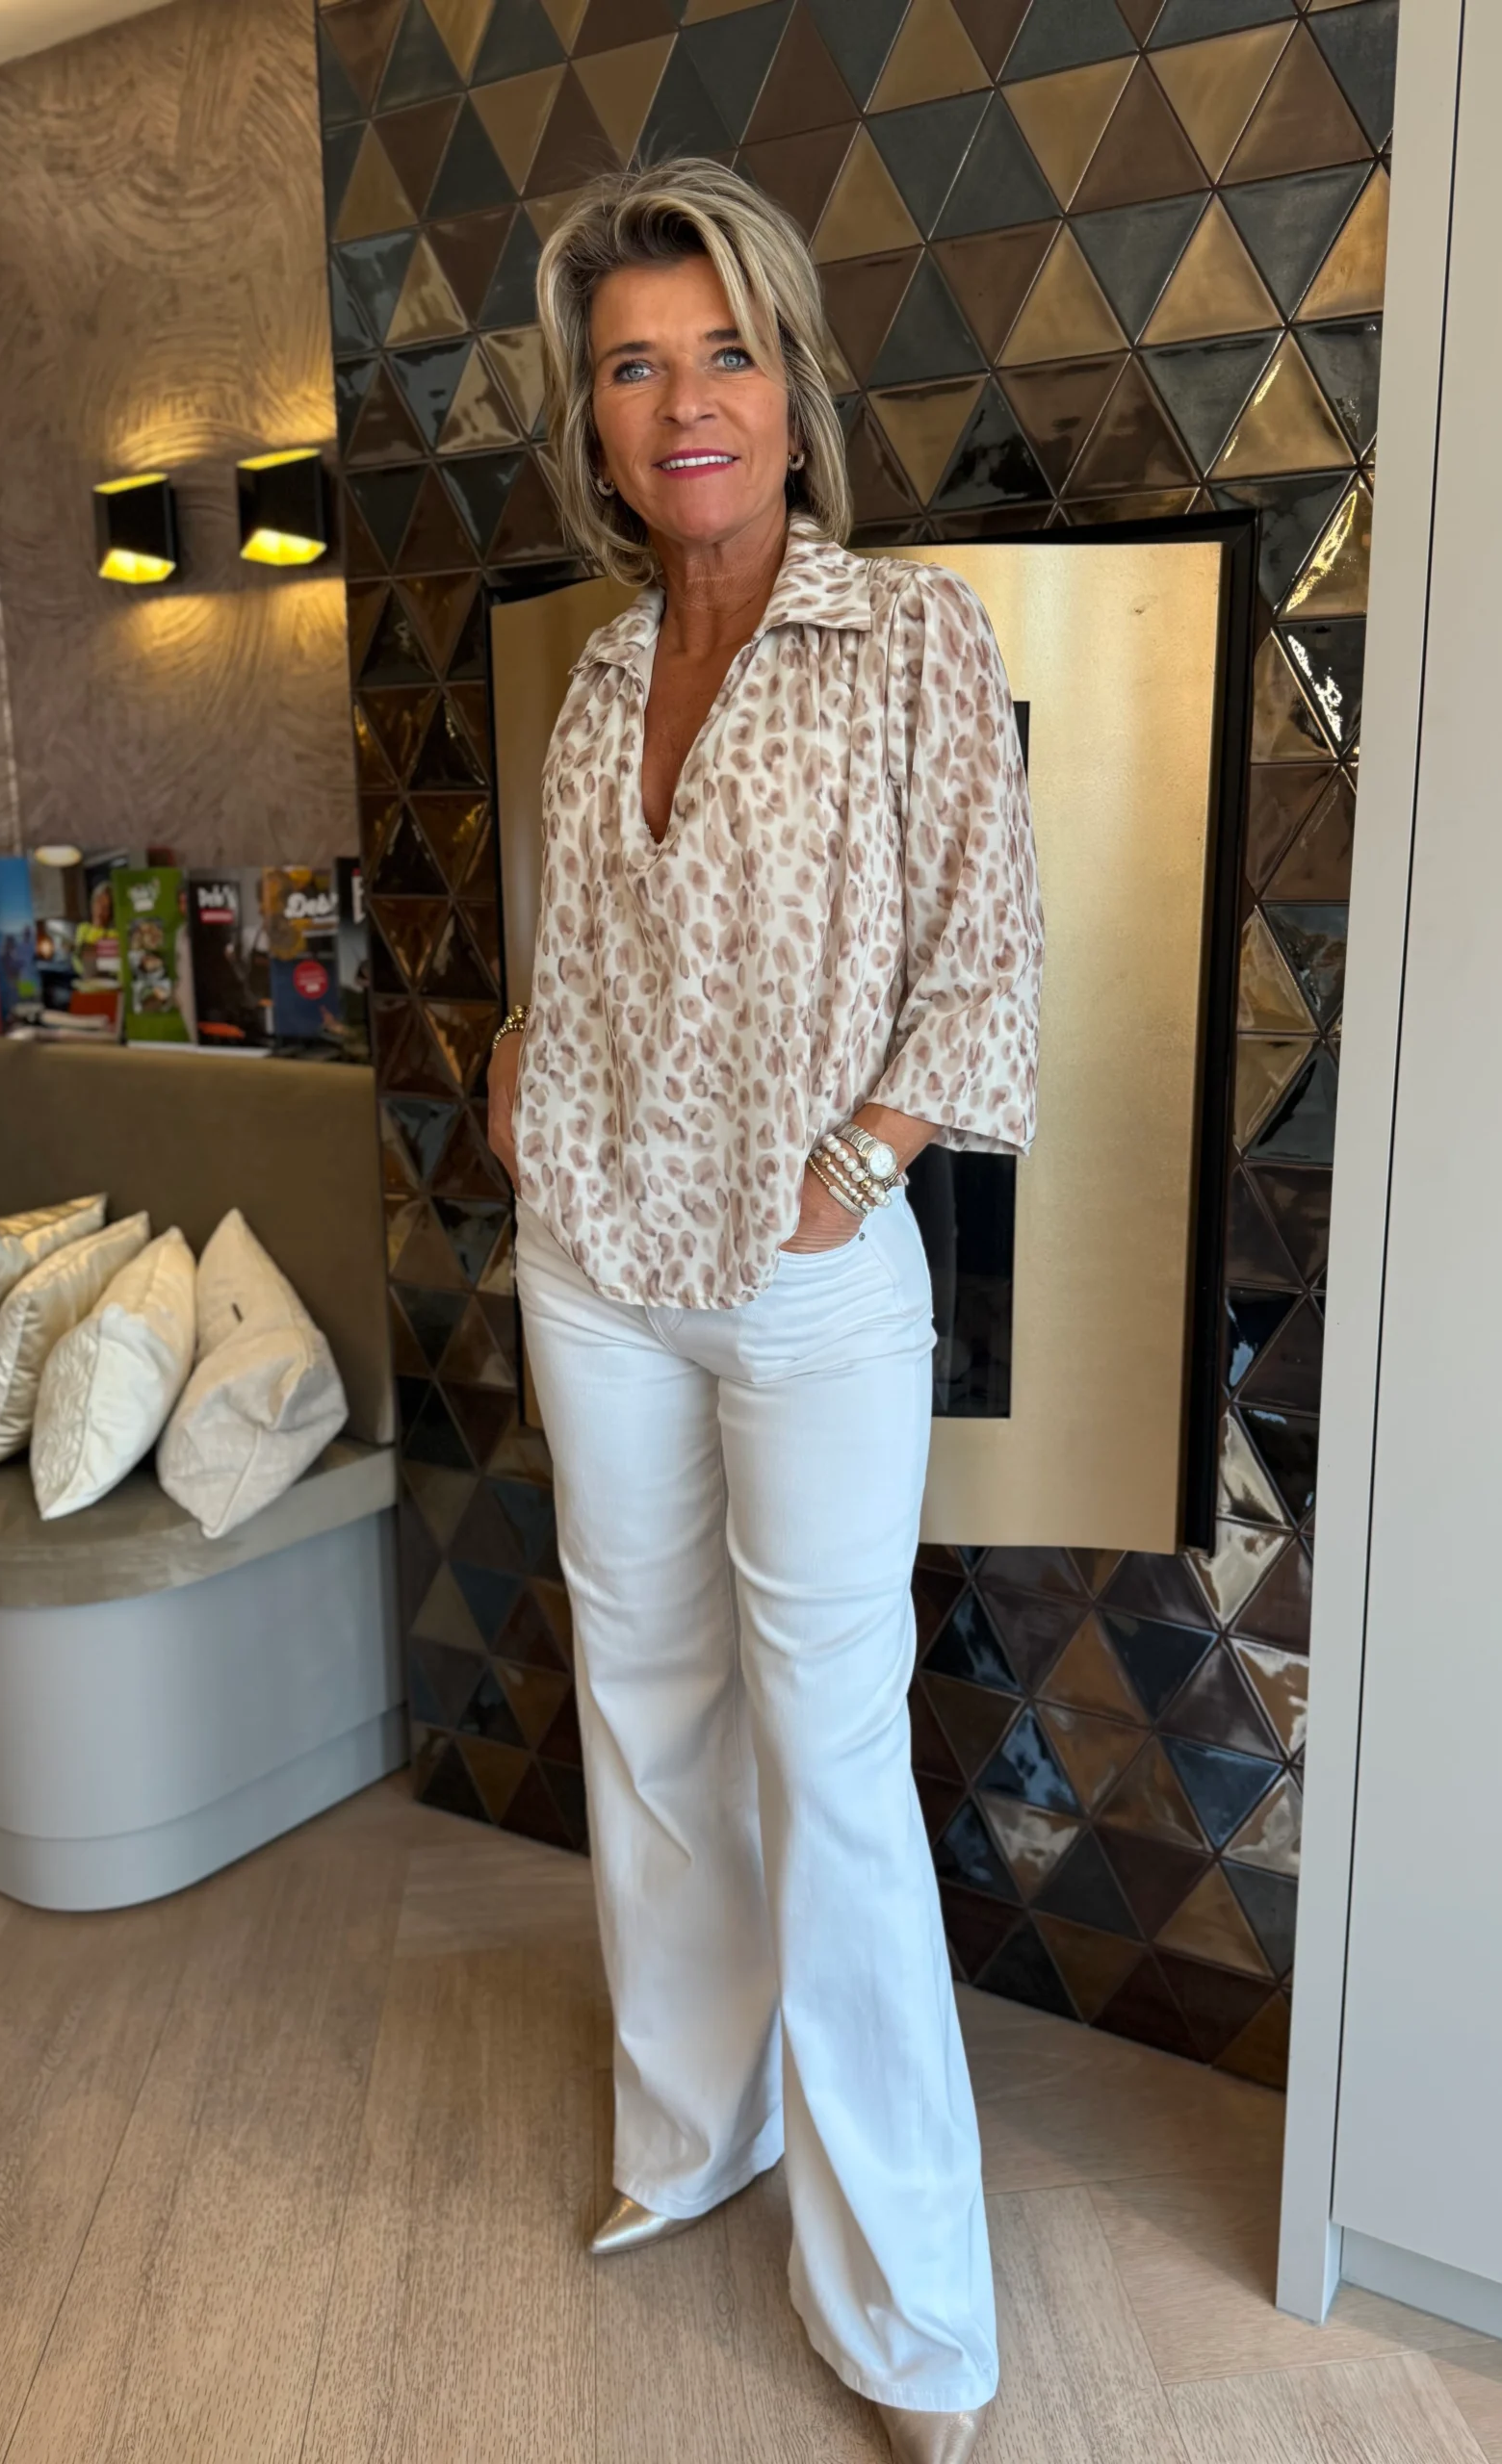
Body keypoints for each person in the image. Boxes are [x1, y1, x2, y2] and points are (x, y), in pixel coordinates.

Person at [484, 159, 1043, 2464]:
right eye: (634, 365)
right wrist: (523, 1061)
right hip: (596, 1266)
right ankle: (690, 2127)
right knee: (646, 1711)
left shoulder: (909, 638)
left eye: (722, 349)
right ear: (598, 424)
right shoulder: (603, 668)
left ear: (795, 389)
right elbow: (589, 953)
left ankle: (910, 2310)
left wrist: (861, 1165)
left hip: (808, 1282)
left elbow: (987, 953)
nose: (682, 399)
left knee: (830, 1761)